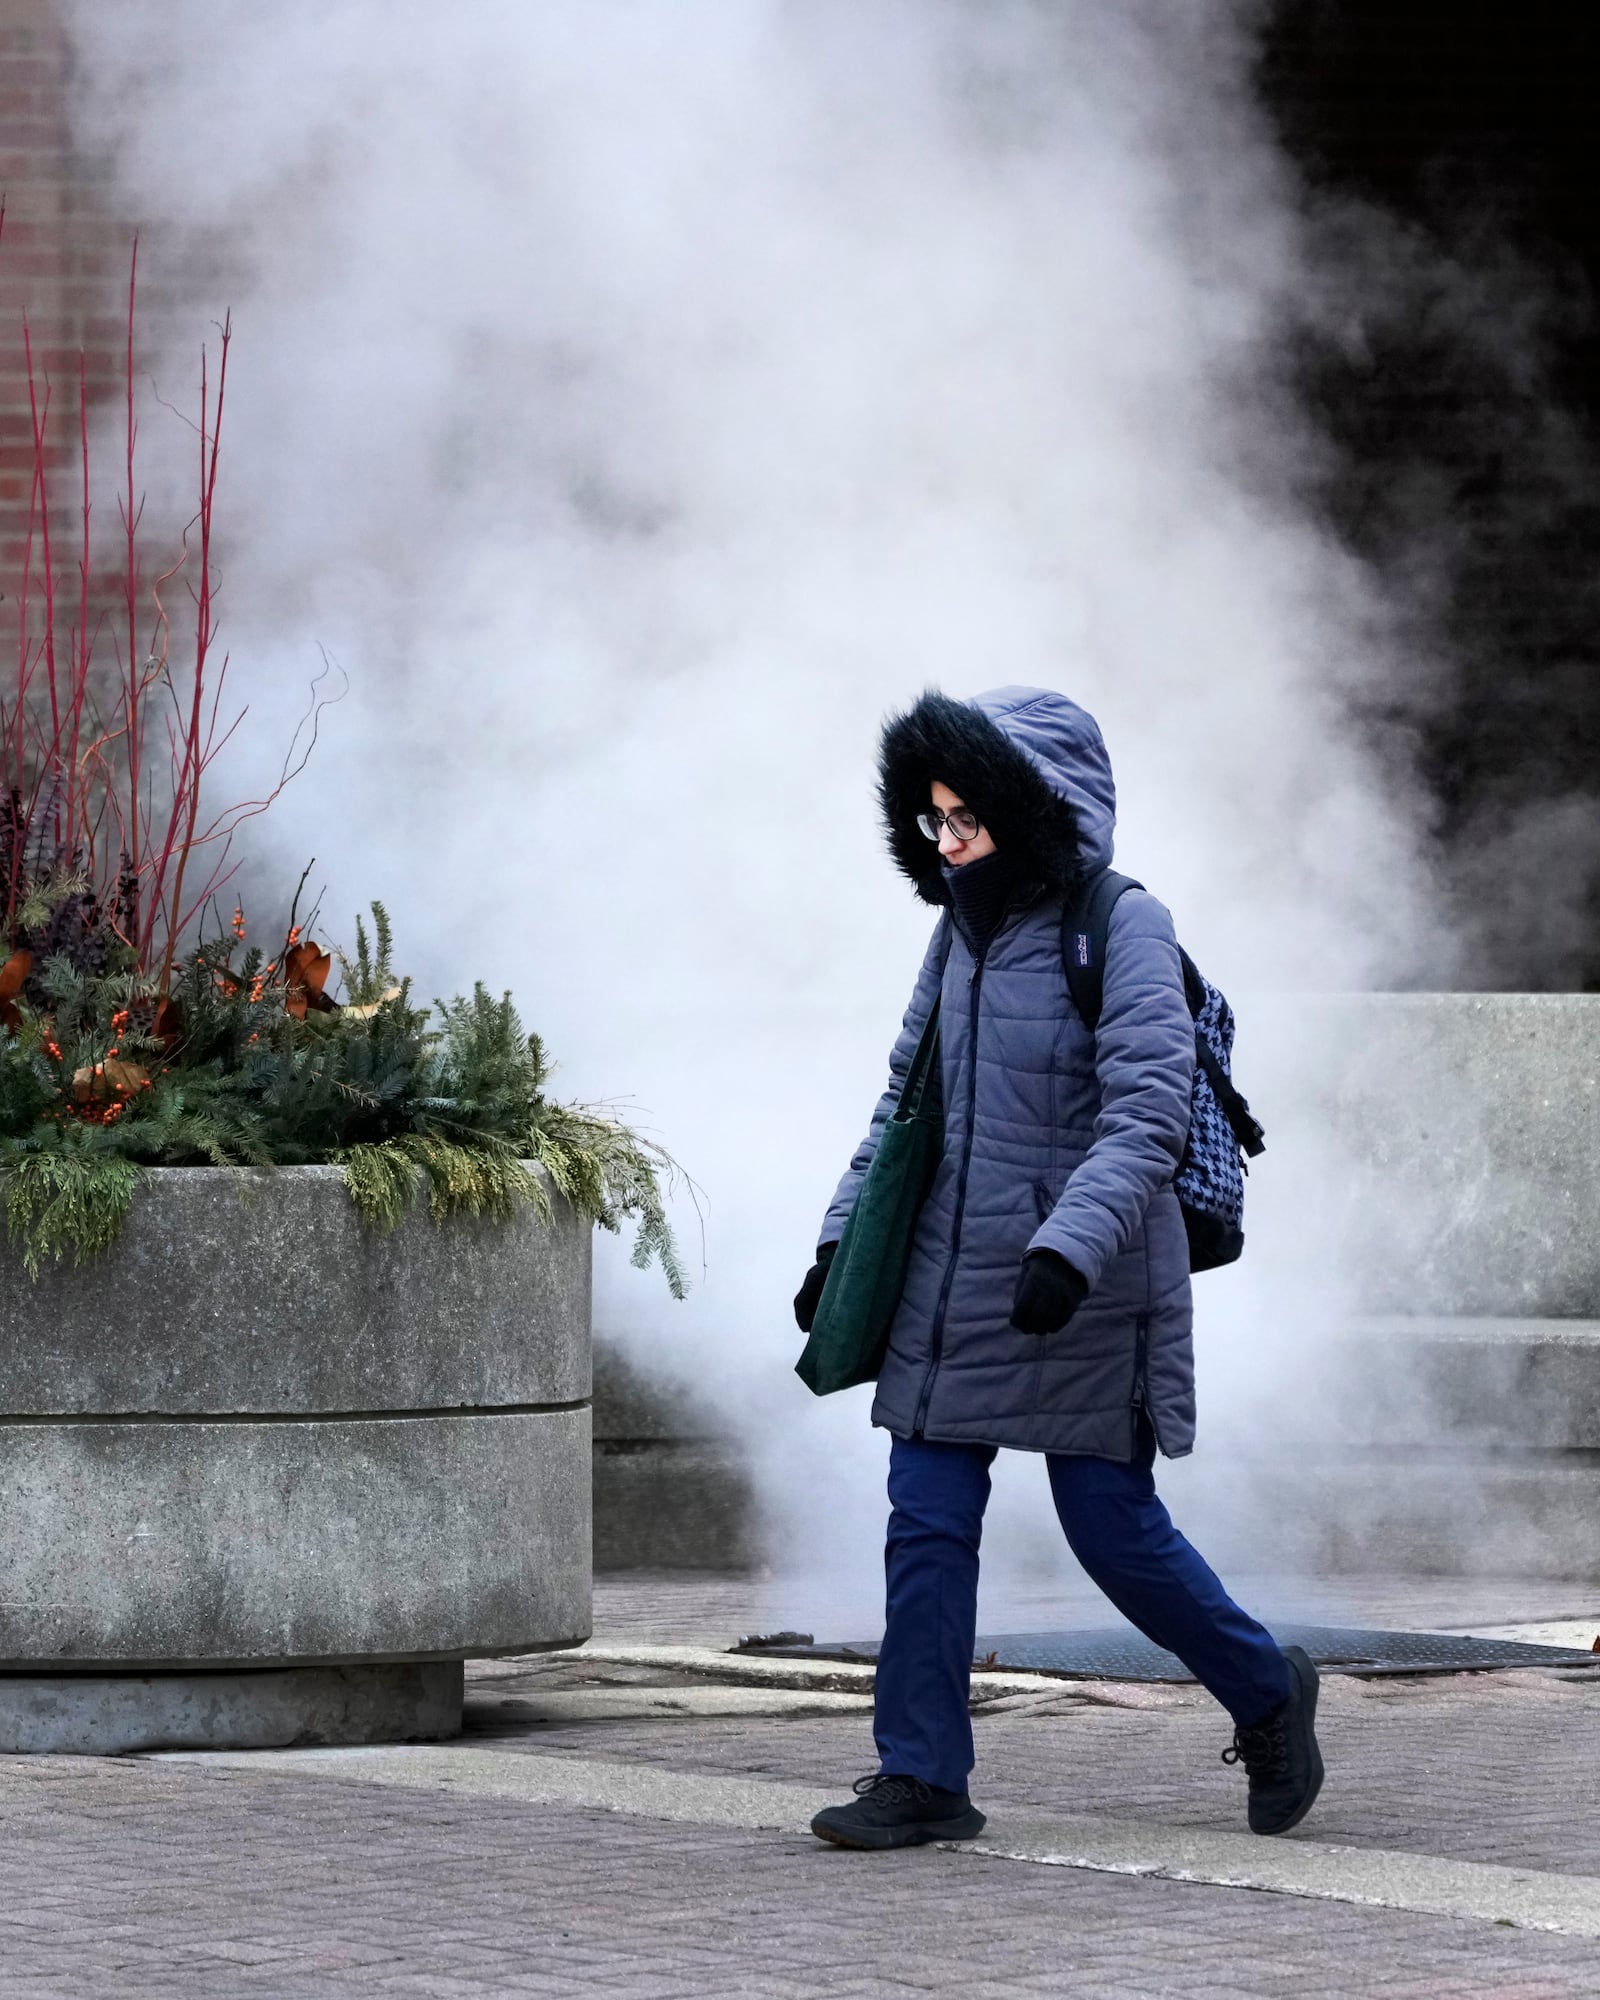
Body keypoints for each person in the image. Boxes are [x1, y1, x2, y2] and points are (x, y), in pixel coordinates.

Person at [796, 685, 1323, 1852]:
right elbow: (904, 1105)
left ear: (1032, 804)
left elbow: (1143, 1114)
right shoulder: (955, 931)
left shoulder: (1119, 922)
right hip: (947, 1275)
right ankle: (921, 1773)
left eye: (964, 813)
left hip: (1081, 1286)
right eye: (931, 818)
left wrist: (1065, 1250)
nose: (947, 838)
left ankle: (1269, 1689)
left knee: (1111, 1527)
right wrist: (840, 1241)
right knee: (925, 1514)